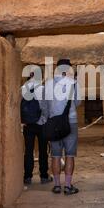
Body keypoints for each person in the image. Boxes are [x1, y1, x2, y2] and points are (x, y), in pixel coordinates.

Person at [45, 59, 81, 195]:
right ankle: (67, 185)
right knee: (70, 155)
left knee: (55, 155)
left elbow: (46, 104)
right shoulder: (74, 84)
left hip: (53, 122)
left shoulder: (48, 84)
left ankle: (56, 186)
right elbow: (77, 102)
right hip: (70, 121)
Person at [21, 70, 53, 185]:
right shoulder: (43, 89)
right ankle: (44, 176)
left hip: (28, 124)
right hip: (41, 124)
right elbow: (46, 107)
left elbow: (19, 106)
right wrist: (45, 119)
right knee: (43, 151)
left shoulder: (23, 88)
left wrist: (23, 120)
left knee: (28, 151)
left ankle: (27, 177)